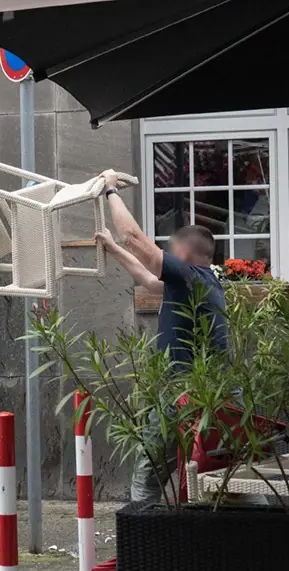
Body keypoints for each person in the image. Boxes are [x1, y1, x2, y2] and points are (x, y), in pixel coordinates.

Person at [95, 169, 228, 503]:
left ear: (182, 255)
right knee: (224, 471)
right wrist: (112, 249)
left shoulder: (187, 274)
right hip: (208, 390)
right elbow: (150, 280)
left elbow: (137, 242)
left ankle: (141, 536)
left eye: (170, 252)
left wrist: (111, 190)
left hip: (184, 389)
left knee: (148, 478)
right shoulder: (202, 281)